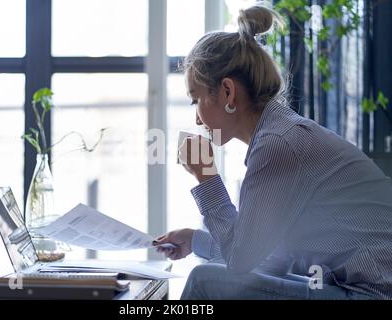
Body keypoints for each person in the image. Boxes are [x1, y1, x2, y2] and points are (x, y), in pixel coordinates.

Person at [154, 4, 392, 300]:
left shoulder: (279, 144)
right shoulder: (279, 134)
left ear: (227, 92)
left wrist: (206, 175)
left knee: (205, 281)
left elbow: (242, 261)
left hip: (372, 293)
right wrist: (195, 241)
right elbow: (269, 257)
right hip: (352, 288)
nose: (197, 119)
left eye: (196, 100)